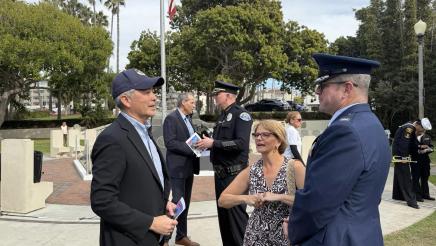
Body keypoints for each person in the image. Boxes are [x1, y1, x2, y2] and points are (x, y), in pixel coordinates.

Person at [287, 53, 391, 246]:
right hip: (362, 233)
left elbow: (318, 202)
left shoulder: (345, 131)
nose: (317, 92)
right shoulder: (371, 124)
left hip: (336, 237)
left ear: (347, 89)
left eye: (323, 86)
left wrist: (293, 229)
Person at [90, 68, 178, 246]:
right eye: (146, 92)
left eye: (153, 91)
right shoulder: (112, 139)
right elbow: (102, 201)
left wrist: (163, 205)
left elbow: (143, 183)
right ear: (125, 100)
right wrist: (151, 223)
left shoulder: (144, 132)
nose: (154, 97)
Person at [218, 120, 305, 246]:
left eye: (265, 135)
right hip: (255, 237)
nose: (259, 138)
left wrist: (279, 197)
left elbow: (311, 201)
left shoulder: (294, 167)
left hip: (288, 235)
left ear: (279, 141)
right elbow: (222, 200)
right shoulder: (252, 171)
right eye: (256, 135)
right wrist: (246, 198)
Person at [195, 80, 253, 246]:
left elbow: (241, 144)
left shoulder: (241, 115)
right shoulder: (223, 115)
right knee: (224, 220)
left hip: (234, 175)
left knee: (236, 221)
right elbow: (220, 142)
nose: (214, 97)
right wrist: (208, 142)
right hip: (221, 174)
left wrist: (213, 144)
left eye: (217, 94)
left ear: (228, 95)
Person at [162, 92, 200, 246]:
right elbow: (170, 143)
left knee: (185, 204)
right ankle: (164, 239)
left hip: (189, 168)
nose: (194, 105)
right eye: (192, 102)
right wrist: (192, 148)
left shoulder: (188, 119)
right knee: (177, 204)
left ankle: (181, 236)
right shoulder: (171, 119)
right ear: (183, 102)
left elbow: (189, 139)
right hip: (177, 168)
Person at [392, 119, 430, 208]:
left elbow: (411, 143)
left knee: (399, 176)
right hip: (401, 156)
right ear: (418, 125)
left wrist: (420, 146)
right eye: (422, 129)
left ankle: (398, 196)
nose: (422, 132)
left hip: (400, 155)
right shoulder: (409, 128)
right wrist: (404, 158)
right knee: (406, 178)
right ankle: (411, 201)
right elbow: (404, 144)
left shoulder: (408, 126)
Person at [416, 124, 435, 201]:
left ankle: (426, 195)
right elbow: (413, 147)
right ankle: (418, 196)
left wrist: (429, 149)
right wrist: (420, 150)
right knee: (416, 178)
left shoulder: (427, 136)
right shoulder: (414, 137)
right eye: (422, 128)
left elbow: (431, 146)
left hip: (426, 161)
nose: (424, 130)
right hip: (417, 160)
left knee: (425, 178)